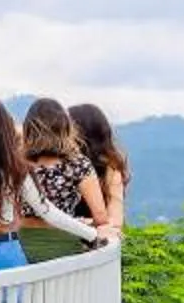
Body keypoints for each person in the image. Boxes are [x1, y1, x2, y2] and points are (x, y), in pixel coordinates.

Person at [15, 96, 109, 263]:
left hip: (21, 245)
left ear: (29, 128)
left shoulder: (16, 163)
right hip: (64, 245)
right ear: (65, 127)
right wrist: (82, 222)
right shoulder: (77, 164)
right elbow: (100, 216)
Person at [68, 101, 129, 232]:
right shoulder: (58, 166)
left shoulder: (110, 170)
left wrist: (85, 222)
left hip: (95, 238)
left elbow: (116, 220)